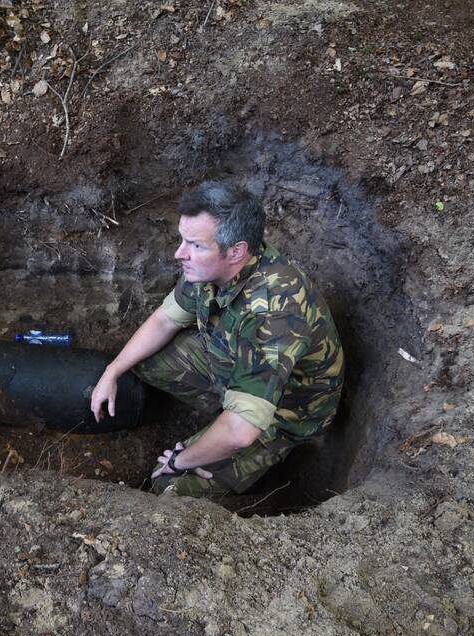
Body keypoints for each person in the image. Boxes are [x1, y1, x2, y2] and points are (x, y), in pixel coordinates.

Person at [90, 181, 344, 498]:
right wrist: (113, 370)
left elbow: (240, 431)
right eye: (183, 240)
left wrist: (180, 460)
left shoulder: (273, 314)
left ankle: (269, 448)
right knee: (146, 362)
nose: (179, 253)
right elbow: (166, 319)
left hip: (284, 412)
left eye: (195, 245)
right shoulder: (210, 269)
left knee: (169, 485)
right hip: (234, 363)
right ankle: (226, 413)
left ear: (236, 251)